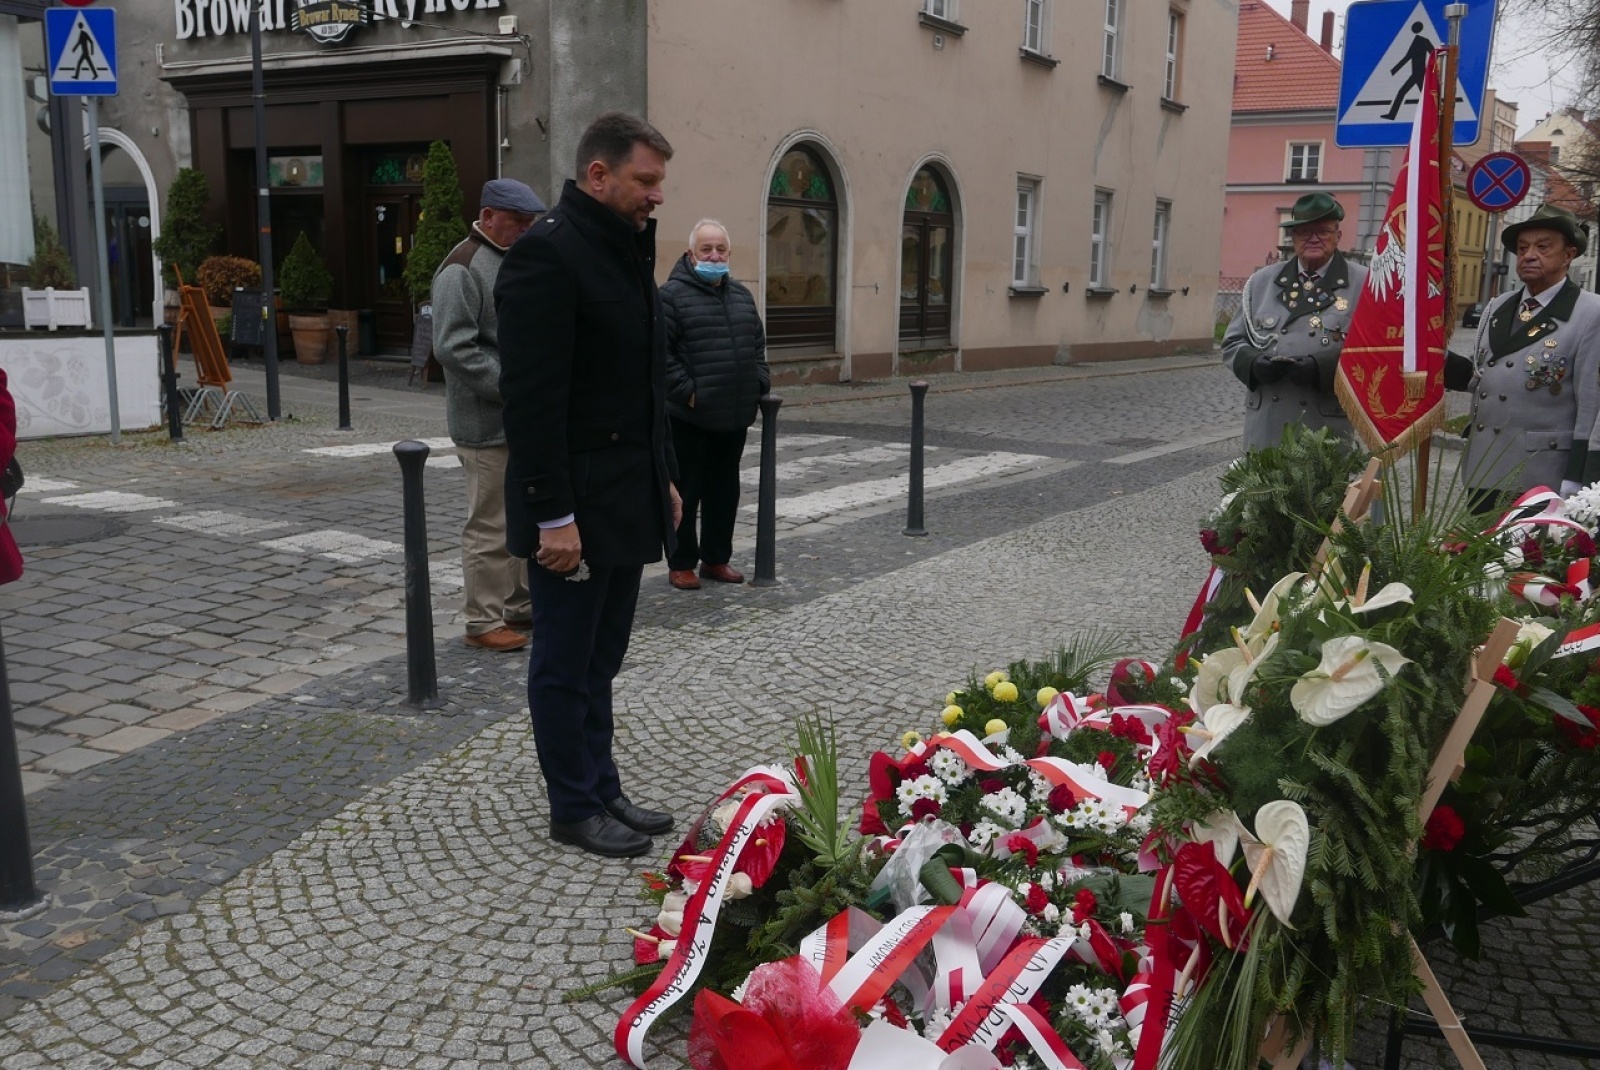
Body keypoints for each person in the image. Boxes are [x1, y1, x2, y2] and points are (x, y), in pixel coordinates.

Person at [495, 112, 682, 859]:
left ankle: (602, 785)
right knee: (564, 664)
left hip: (624, 496)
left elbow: (642, 386)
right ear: (597, 175)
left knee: (601, 660)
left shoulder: (623, 251)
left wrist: (664, 478)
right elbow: (532, 404)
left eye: (659, 181)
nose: (656, 195)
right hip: (572, 510)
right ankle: (572, 805)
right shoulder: (549, 256)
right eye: (645, 180)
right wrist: (553, 518)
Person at [431, 178, 545, 653]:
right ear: (489, 215)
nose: (523, 231)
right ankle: (482, 620)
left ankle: (519, 606)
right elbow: (453, 347)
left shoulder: (510, 256)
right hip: (485, 421)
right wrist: (512, 387)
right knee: (489, 524)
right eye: (517, 223)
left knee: (522, 517)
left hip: (519, 415)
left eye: (528, 224)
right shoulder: (461, 268)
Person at [1461, 203, 1600, 511]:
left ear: (1568, 255)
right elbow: (1481, 376)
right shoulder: (1499, 306)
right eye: (1523, 248)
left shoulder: (1590, 312)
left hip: (1542, 475)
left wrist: (1580, 477)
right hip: (1484, 468)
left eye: (1543, 247)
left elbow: (1592, 405)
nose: (1528, 255)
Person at [660, 219, 770, 590]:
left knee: (725, 492)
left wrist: (759, 383)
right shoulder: (670, 296)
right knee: (686, 493)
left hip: (733, 416)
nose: (714, 255)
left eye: (720, 249)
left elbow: (757, 345)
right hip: (689, 417)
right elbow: (662, 356)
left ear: (729, 254)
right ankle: (681, 562)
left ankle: (716, 558)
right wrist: (690, 392)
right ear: (691, 254)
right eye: (706, 249)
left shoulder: (741, 295)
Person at [1222, 192, 1368, 451]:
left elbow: (1373, 351)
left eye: (1322, 231)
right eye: (1304, 232)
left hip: (1326, 425)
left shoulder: (1363, 284)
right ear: (1293, 238)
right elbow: (1233, 342)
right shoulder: (1262, 282)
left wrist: (1320, 368)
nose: (1313, 239)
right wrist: (1253, 364)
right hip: (1268, 424)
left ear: (1338, 236)